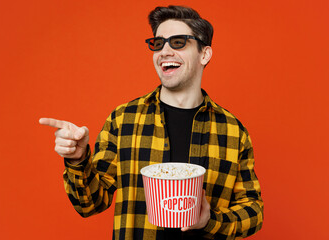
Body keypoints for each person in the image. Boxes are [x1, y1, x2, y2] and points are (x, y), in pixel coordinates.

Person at [39, 5, 263, 240]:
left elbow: (254, 210)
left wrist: (210, 221)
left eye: (178, 42)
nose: (164, 51)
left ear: (204, 54)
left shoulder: (233, 131)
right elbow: (90, 204)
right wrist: (77, 159)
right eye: (158, 43)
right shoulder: (123, 119)